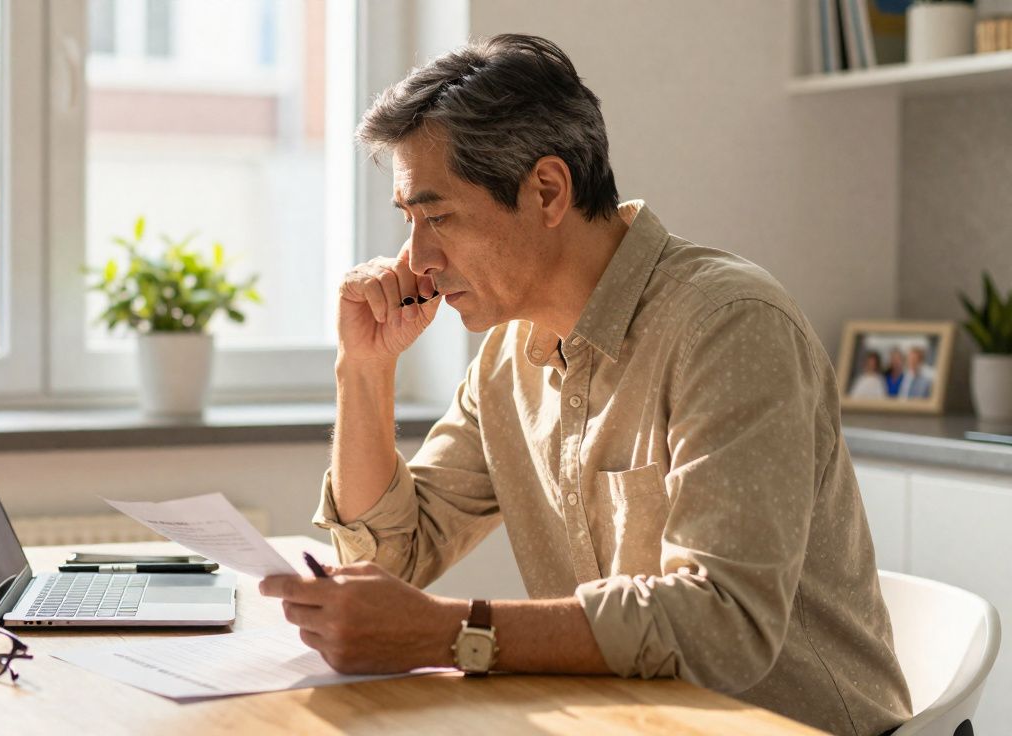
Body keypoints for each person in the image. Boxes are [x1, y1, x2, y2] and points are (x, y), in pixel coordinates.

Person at [258, 34, 910, 736]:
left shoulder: (728, 326)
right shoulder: (508, 359)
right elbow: (388, 561)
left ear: (546, 190)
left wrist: (450, 633)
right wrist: (364, 367)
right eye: (409, 221)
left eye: (438, 216)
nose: (417, 259)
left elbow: (726, 626)